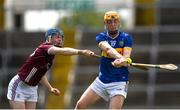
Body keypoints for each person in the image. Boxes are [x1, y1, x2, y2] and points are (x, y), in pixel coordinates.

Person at [7, 28, 95, 109]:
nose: (60, 39)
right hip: (20, 85)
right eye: (57, 37)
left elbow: (40, 74)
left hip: (32, 88)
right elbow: (62, 51)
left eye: (61, 38)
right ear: (49, 38)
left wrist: (50, 88)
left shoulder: (50, 56)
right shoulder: (45, 48)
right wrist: (81, 52)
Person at [75, 11, 133, 109]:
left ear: (119, 22)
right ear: (105, 24)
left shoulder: (126, 38)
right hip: (102, 80)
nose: (113, 24)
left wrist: (123, 62)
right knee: (80, 106)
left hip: (119, 82)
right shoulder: (101, 37)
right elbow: (107, 49)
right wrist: (120, 58)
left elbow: (126, 58)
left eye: (115, 21)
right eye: (109, 22)